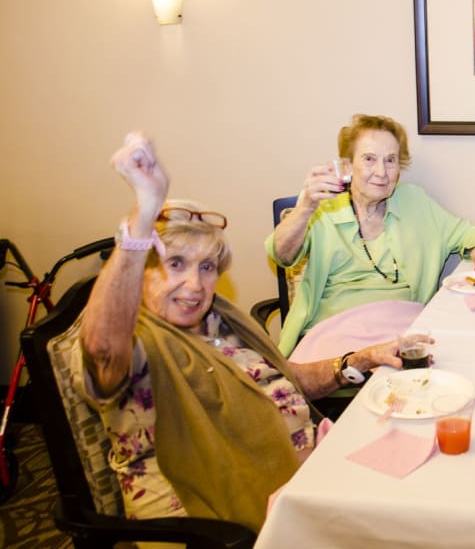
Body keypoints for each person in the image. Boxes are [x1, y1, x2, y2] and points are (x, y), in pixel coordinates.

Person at [75, 132, 417, 531]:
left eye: (206, 268)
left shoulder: (219, 320)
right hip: (215, 521)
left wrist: (362, 358)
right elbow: (100, 348)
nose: (194, 285)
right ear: (142, 273)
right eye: (176, 264)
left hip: (306, 471)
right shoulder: (137, 342)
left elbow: (292, 379)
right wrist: (143, 216)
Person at [267, 114, 475, 356]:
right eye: (369, 159)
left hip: (402, 332)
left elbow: (470, 233)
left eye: (390, 160)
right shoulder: (322, 209)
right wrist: (305, 208)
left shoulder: (414, 201)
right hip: (336, 338)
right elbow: (282, 255)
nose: (381, 172)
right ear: (348, 164)